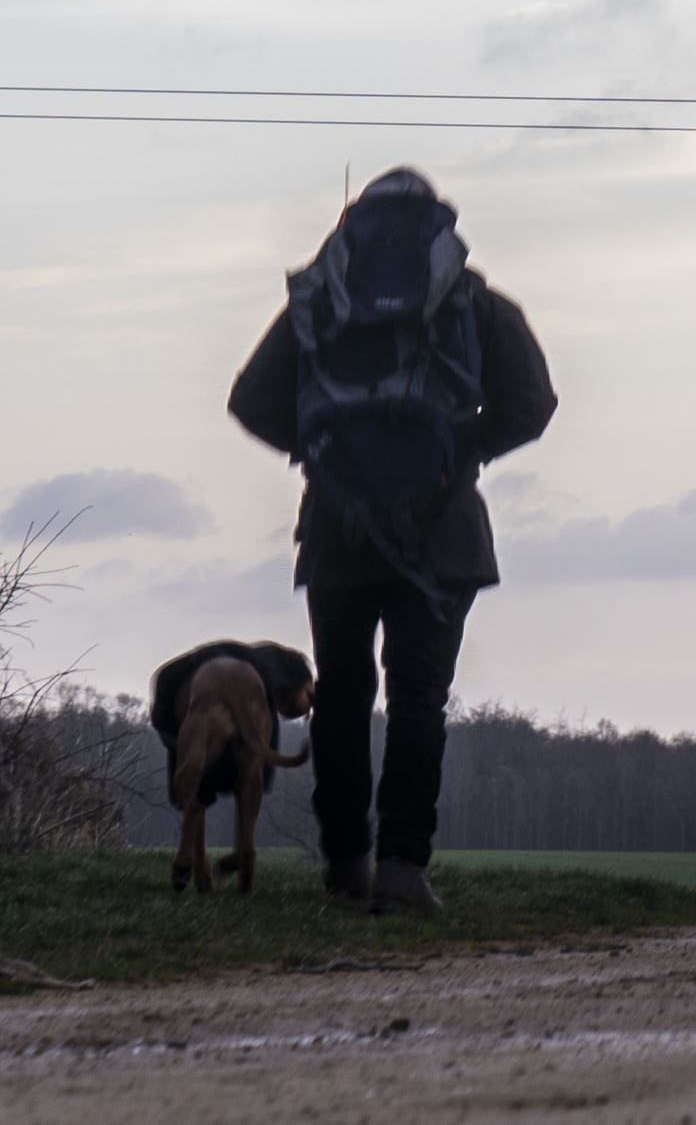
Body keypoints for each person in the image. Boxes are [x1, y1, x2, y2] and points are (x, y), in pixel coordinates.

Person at [226, 169, 557, 914]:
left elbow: (249, 399)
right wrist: (460, 452)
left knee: (341, 700)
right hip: (443, 538)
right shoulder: (476, 303)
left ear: (352, 227)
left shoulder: (317, 302)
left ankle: (345, 864)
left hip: (337, 535)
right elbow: (533, 405)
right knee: (418, 705)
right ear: (439, 232)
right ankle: (404, 870)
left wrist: (320, 451)